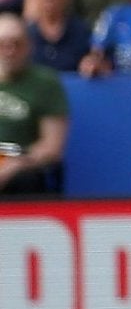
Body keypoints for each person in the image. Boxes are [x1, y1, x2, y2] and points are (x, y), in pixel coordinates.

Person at [0, 13, 68, 195]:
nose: (9, 50)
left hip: (21, 166)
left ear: (29, 46)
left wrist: (15, 165)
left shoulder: (45, 83)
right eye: (2, 44)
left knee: (24, 180)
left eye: (16, 44)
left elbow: (52, 147)